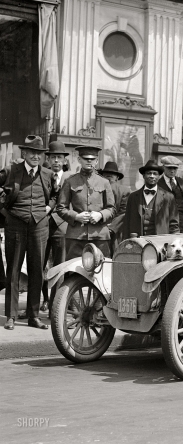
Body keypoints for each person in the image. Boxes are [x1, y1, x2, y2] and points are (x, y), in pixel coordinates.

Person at [2, 135, 54, 330]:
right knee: (13, 270)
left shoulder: (47, 174)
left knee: (36, 272)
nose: (35, 156)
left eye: (39, 153)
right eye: (32, 152)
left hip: (39, 226)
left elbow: (55, 195)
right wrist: (4, 211)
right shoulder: (10, 171)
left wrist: (49, 208)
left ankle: (33, 316)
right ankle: (11, 316)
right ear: (24, 153)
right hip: (15, 224)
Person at [56, 145, 115, 260]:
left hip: (100, 236)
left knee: (101, 272)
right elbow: (61, 207)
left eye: (92, 159)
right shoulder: (70, 181)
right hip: (76, 236)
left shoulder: (104, 182)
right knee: (74, 272)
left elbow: (112, 209)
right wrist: (76, 216)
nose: (89, 161)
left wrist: (100, 215)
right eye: (85, 158)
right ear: (79, 160)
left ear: (97, 161)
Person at [41, 140, 72, 313]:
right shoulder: (41, 175)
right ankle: (42, 301)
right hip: (42, 225)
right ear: (48, 158)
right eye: (53, 157)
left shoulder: (70, 178)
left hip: (61, 226)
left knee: (60, 267)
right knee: (39, 265)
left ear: (64, 160)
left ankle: (56, 306)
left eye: (59, 157)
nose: (56, 161)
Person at [122, 160, 180, 239]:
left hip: (160, 241)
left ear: (159, 176)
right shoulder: (133, 197)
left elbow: (174, 224)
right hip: (138, 241)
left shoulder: (168, 197)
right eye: (149, 173)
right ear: (143, 176)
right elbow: (126, 223)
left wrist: (174, 242)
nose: (152, 176)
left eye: (155, 174)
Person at [98, 161, 130, 253]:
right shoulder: (97, 189)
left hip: (116, 231)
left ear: (117, 177)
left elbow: (124, 212)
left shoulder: (124, 191)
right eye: (106, 174)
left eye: (112, 174)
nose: (109, 176)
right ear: (102, 176)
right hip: (98, 228)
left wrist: (111, 228)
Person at [157, 156, 183, 232]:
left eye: (175, 168)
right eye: (169, 168)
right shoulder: (157, 185)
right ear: (163, 167)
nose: (172, 171)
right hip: (165, 225)